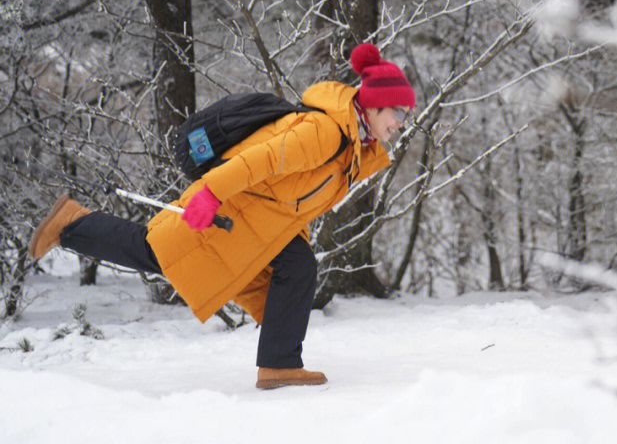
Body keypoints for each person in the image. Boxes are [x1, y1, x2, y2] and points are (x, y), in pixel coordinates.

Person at [27, 43, 415, 390]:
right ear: (373, 104)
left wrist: (284, 285)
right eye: (397, 111)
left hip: (255, 223)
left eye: (405, 115)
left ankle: (279, 366)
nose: (400, 122)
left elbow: (300, 203)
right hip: (227, 207)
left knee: (298, 265)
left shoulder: (351, 151)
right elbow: (257, 160)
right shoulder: (325, 132)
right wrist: (211, 194)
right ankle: (71, 224)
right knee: (155, 253)